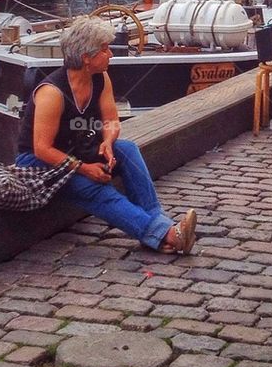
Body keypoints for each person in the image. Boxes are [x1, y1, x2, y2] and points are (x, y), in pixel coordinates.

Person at [15, 18, 197, 254]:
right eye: (104, 49)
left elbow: (111, 120)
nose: (110, 54)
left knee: (128, 150)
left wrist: (108, 143)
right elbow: (42, 148)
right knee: (92, 187)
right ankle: (168, 234)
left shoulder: (100, 78)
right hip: (40, 163)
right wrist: (85, 168)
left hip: (77, 148)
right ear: (86, 58)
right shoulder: (52, 93)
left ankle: (159, 226)